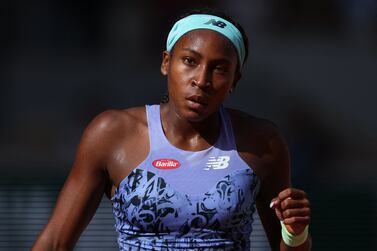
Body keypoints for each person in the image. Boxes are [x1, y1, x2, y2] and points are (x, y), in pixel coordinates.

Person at [32, 9, 311, 251]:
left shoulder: (263, 142)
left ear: (234, 80)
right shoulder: (111, 133)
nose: (201, 80)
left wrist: (295, 233)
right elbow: (55, 242)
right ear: (166, 62)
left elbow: (285, 246)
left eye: (219, 69)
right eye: (190, 61)